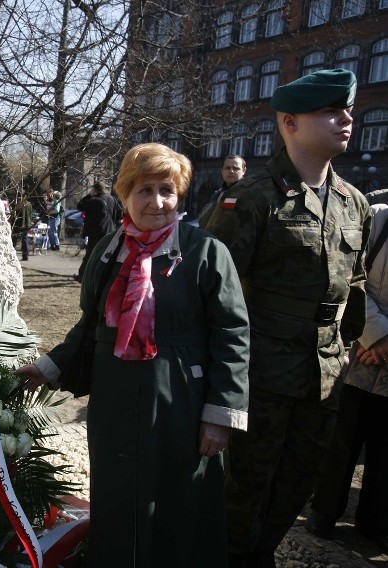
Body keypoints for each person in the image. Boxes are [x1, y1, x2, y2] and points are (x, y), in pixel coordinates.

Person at [18, 142, 250, 567]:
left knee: (180, 497)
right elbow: (91, 328)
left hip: (181, 396)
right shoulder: (109, 251)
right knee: (119, 493)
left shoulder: (205, 252)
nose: (157, 201)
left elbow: (232, 334)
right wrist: (49, 367)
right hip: (115, 398)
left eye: (167, 189)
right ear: (125, 194)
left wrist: (220, 414)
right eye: (145, 189)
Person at [203, 68, 371, 568]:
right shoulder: (253, 196)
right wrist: (218, 385)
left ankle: (261, 554)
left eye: (347, 110)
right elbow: (212, 293)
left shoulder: (352, 202)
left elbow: (355, 284)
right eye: (331, 111)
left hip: (323, 377)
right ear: (290, 122)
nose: (346, 119)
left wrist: (348, 349)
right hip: (259, 376)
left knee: (299, 480)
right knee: (244, 489)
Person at [305, 202, 388, 552]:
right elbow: (346, 275)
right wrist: (379, 337)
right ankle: (323, 514)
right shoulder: (378, 217)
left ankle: (375, 525)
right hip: (357, 352)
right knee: (341, 440)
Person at [74, 181, 122, 281]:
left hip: (96, 232)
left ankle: (82, 275)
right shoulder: (112, 199)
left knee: (90, 255)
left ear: (95, 190)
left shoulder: (95, 200)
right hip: (110, 231)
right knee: (106, 255)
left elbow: (80, 206)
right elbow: (120, 214)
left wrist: (88, 195)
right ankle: (104, 276)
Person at [197, 155, 247, 227]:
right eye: (227, 168)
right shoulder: (218, 194)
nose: (231, 171)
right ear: (222, 171)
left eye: (236, 168)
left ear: (244, 171)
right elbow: (202, 221)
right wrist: (217, 203)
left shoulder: (247, 193)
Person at [20, 196, 34, 261]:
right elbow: (30, 215)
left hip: (21, 224)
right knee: (25, 239)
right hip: (27, 224)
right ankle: (25, 255)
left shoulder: (20, 204)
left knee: (16, 239)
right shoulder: (29, 204)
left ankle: (25, 255)